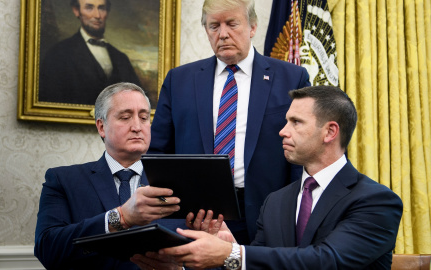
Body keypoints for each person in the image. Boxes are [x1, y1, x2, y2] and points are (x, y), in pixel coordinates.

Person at [136, 85, 403, 269]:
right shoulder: (275, 202)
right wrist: (226, 251)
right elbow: (257, 263)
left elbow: (327, 261)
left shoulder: (377, 201)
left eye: (296, 122)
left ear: (330, 132)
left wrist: (234, 254)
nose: (282, 132)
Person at [149, 0, 311, 244]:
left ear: (252, 27)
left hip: (267, 216)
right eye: (214, 26)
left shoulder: (291, 77)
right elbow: (158, 155)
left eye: (232, 24)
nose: (222, 34)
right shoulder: (179, 80)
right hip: (197, 218)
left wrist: (293, 214)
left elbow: (304, 152)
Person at [34, 82, 183, 269]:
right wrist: (121, 217)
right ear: (101, 127)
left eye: (144, 117)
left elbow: (201, 255)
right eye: (126, 117)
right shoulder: (63, 180)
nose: (137, 126)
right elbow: (47, 250)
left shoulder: (176, 184)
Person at [39, 0, 141, 105]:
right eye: (89, 8)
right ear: (76, 11)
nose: (97, 15)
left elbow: (138, 102)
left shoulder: (121, 59)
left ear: (107, 11)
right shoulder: (58, 54)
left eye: (101, 8)